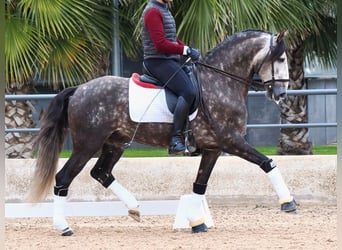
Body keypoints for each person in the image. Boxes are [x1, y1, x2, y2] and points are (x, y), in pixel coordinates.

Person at [141, 0, 201, 155]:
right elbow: (160, 44)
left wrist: (187, 48)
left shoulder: (163, 9)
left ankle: (193, 137)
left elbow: (171, 38)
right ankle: (175, 139)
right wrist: (185, 50)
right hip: (157, 61)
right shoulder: (153, 12)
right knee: (188, 91)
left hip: (168, 60)